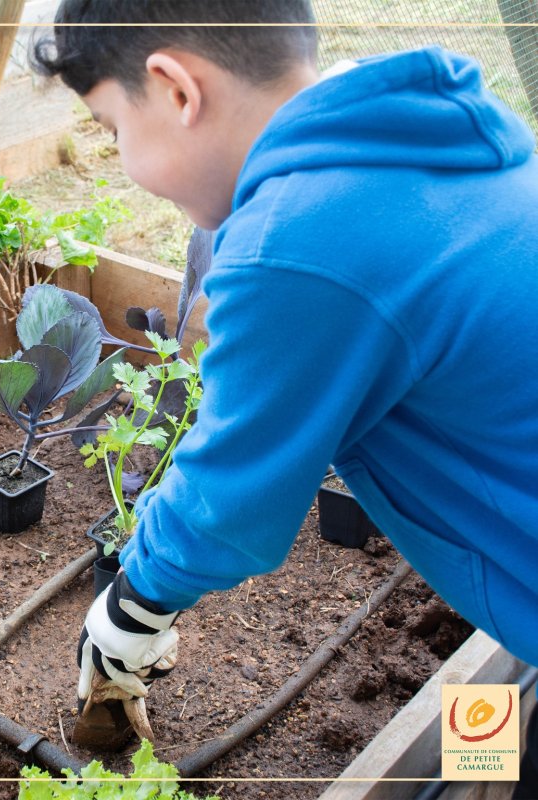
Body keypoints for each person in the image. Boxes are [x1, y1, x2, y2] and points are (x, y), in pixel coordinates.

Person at [32, 1, 538, 793]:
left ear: (173, 89)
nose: (119, 156)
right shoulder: (421, 138)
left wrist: (131, 610)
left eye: (109, 128)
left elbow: (231, 504)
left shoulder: (302, 240)